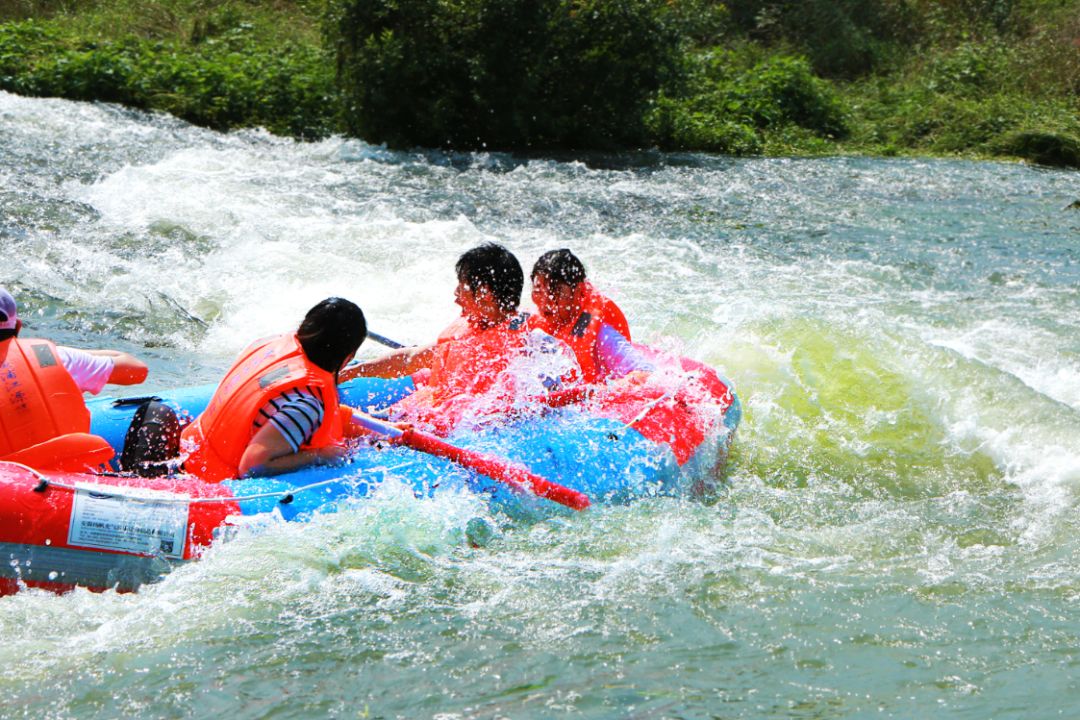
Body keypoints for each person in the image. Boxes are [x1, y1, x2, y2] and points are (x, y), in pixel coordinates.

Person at [343, 243, 576, 430]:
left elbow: (548, 408)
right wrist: (350, 372)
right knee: (346, 422)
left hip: (462, 431)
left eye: (462, 286)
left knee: (348, 428)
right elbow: (411, 359)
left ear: (484, 292)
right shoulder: (467, 327)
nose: (456, 295)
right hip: (423, 413)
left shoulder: (531, 343)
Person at [181, 297, 373, 481]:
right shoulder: (306, 405)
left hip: (188, 452)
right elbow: (252, 467)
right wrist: (320, 455)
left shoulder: (272, 345)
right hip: (211, 483)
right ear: (348, 356)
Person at [0, 287, 149, 470]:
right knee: (156, 412)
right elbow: (136, 370)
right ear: (18, 326)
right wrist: (69, 354)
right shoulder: (56, 359)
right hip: (75, 484)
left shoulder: (56, 359)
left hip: (15, 490)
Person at [529, 249, 652, 383]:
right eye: (539, 290)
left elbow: (646, 373)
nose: (546, 301)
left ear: (579, 291)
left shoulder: (602, 335)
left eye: (557, 291)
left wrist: (600, 392)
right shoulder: (538, 331)